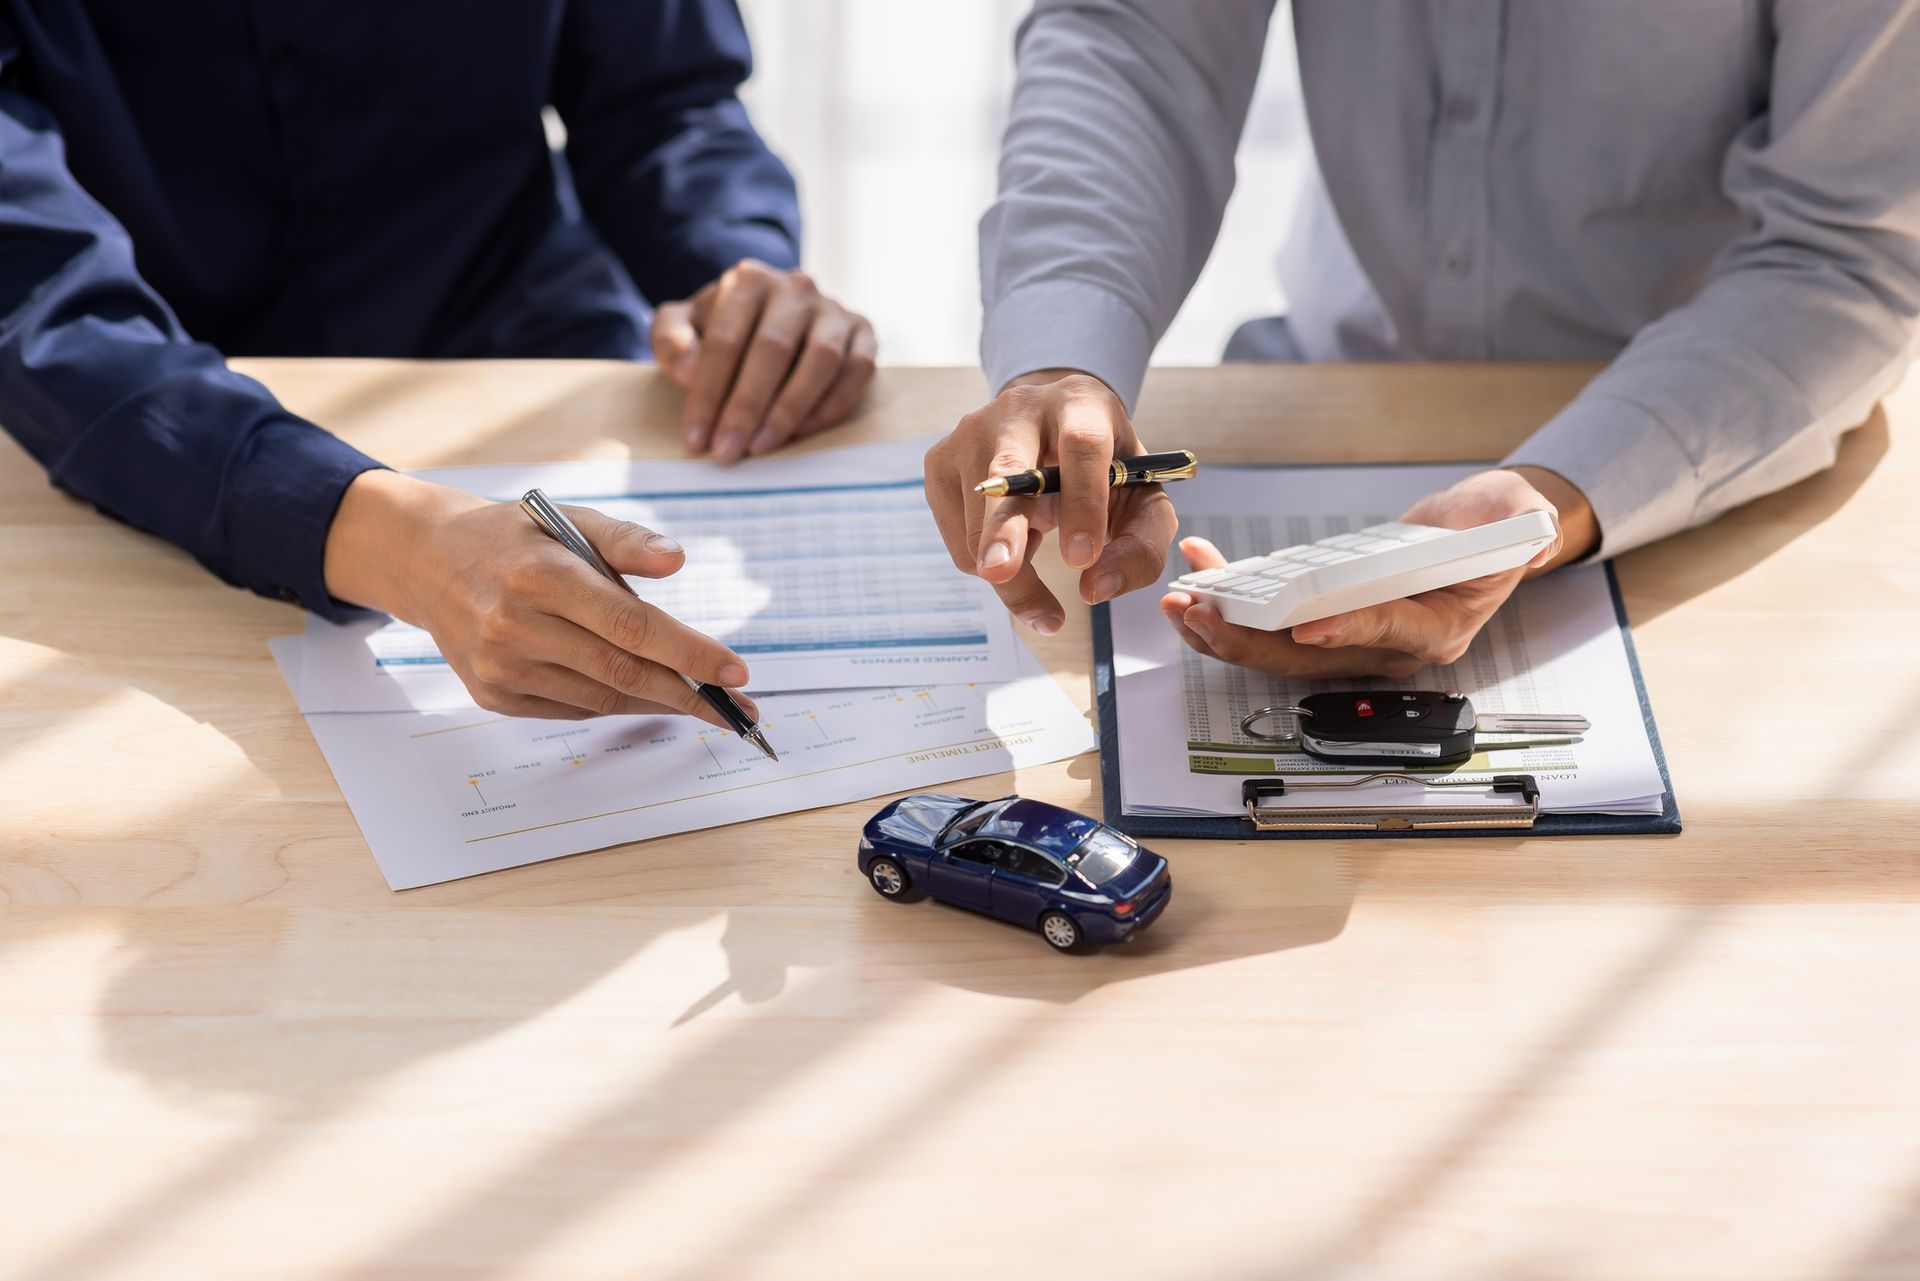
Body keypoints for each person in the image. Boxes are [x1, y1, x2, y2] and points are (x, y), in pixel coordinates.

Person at [924, 1, 1920, 678]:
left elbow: (1850, 247)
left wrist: (1555, 499)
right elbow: (1137, 35)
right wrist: (1063, 349)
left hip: (1714, 462)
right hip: (1330, 387)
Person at [0, 0, 876, 723]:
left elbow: (665, 99)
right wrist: (392, 541)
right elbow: (41, 300)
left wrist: (735, 272)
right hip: (148, 428)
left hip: (539, 354)